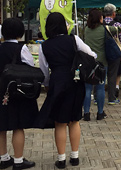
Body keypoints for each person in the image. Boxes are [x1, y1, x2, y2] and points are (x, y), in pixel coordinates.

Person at [37, 12, 97, 169]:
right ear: (64, 24)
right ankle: (75, 156)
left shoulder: (44, 46)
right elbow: (91, 54)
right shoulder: (73, 39)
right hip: (75, 81)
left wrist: (47, 85)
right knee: (74, 120)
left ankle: (61, 159)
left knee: (60, 122)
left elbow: (44, 72)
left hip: (57, 83)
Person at [0, 18, 37, 170]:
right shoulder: (21, 49)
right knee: (18, 126)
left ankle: (3, 158)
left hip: (1, 91)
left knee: (1, 126)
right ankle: (18, 160)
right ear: (20, 33)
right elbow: (30, 66)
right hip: (17, 91)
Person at [84, 8, 121, 120]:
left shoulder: (86, 29)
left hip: (88, 61)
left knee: (87, 89)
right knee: (100, 87)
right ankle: (100, 113)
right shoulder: (105, 29)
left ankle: (86, 113)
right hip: (101, 62)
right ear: (100, 18)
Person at [103, 3, 121, 105]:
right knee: (112, 75)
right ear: (113, 14)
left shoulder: (99, 24)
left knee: (100, 75)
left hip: (101, 52)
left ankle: (97, 98)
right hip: (114, 53)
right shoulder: (118, 25)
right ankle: (111, 98)